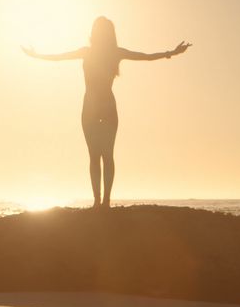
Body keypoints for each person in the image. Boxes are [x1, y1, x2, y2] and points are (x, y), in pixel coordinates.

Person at [22, 16, 191, 208]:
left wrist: (172, 52)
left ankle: (103, 202)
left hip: (101, 107)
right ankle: (100, 202)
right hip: (93, 108)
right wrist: (36, 55)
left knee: (104, 155)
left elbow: (145, 56)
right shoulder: (96, 52)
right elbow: (59, 57)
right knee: (97, 155)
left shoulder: (108, 52)